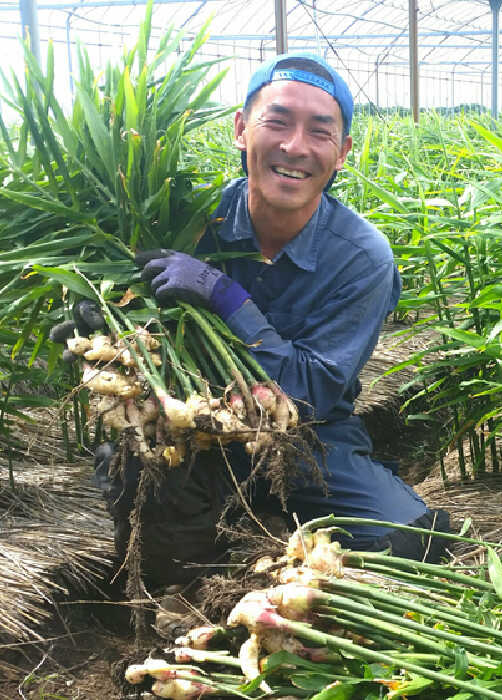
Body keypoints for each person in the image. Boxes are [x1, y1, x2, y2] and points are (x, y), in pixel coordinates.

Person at [61, 53, 449, 587]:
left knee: (412, 543)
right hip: (193, 425)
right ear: (242, 130)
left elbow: (312, 390)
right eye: (278, 121)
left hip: (308, 433)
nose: (295, 146)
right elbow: (139, 332)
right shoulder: (190, 223)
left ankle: (267, 513)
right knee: (167, 556)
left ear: (342, 154)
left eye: (320, 131)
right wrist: (98, 323)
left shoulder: (362, 257)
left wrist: (225, 296)